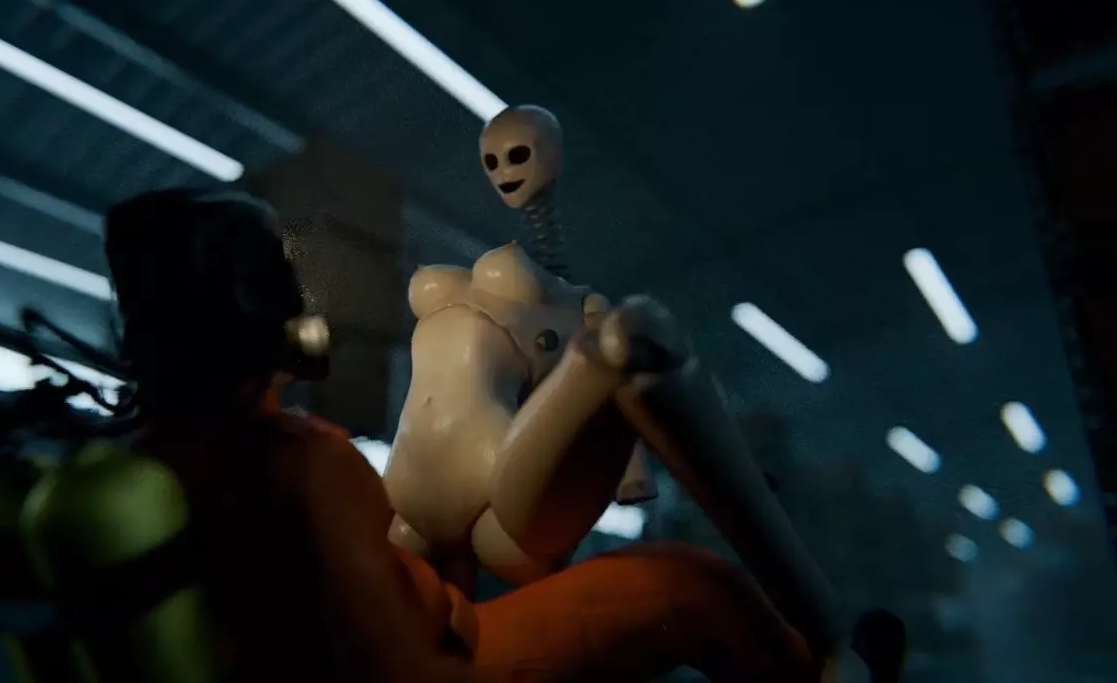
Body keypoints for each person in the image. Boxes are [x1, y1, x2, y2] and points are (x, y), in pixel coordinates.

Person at [104, 187, 843, 683]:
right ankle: (832, 654)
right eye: (281, 276)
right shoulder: (299, 462)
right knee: (691, 588)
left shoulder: (159, 463)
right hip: (460, 654)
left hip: (440, 606)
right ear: (254, 306)